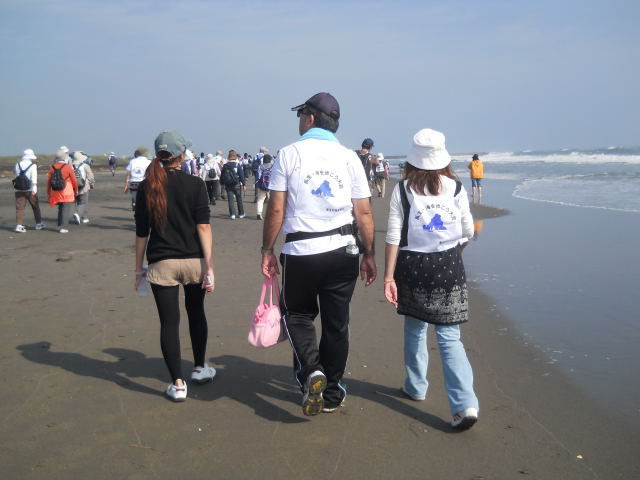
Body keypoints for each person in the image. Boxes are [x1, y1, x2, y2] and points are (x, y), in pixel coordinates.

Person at [261, 92, 377, 416]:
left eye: (301, 114)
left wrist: (267, 249)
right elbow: (364, 213)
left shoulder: (289, 154)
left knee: (297, 315)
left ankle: (312, 370)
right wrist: (369, 253)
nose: (299, 120)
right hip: (343, 251)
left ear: (310, 118)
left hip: (301, 251)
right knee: (337, 323)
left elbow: (276, 208)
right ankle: (332, 391)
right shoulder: (350, 158)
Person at [383, 128, 479, 430]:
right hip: (449, 264)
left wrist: (388, 277)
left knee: (415, 328)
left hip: (412, 266)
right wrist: (456, 249)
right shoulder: (456, 187)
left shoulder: (402, 189)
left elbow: (394, 235)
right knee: (450, 337)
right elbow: (468, 231)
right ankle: (465, 404)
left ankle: (416, 386)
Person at [134, 130, 216, 402]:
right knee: (196, 313)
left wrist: (138, 269)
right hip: (194, 261)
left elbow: (142, 233)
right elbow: (203, 227)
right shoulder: (196, 184)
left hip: (162, 263)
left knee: (169, 323)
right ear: (181, 156)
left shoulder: (147, 186)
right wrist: (209, 267)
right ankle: (200, 368)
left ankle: (178, 384)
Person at [47, 149, 78, 233]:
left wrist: (48, 192)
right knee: (65, 208)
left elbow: (49, 181)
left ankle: (60, 224)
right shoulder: (68, 167)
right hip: (66, 190)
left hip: (56, 191)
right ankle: (63, 227)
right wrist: (76, 190)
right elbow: (74, 180)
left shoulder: (52, 167)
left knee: (60, 208)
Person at [13, 148, 44, 232]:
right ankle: (38, 224)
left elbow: (16, 175)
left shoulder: (17, 164)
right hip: (30, 189)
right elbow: (34, 179)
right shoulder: (33, 165)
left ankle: (19, 225)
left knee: (20, 208)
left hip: (18, 189)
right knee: (35, 206)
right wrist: (34, 189)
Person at [70, 151, 96, 224]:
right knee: (83, 202)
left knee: (78, 202)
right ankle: (78, 214)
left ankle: (84, 217)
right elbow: (91, 176)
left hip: (73, 187)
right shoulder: (85, 165)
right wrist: (92, 184)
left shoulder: (70, 166)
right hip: (84, 187)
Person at [220, 150, 245, 219]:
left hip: (228, 184)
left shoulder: (225, 165)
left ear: (229, 156)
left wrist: (222, 183)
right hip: (236, 184)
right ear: (235, 156)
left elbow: (222, 175)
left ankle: (232, 214)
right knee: (239, 199)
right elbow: (241, 175)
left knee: (230, 200)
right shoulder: (237, 165)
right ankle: (241, 214)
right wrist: (243, 184)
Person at [255, 153, 273, 220]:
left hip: (262, 185)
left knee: (260, 199)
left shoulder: (260, 166)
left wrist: (256, 184)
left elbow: (258, 176)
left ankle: (259, 213)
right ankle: (271, 214)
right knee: (272, 201)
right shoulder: (273, 166)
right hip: (271, 186)